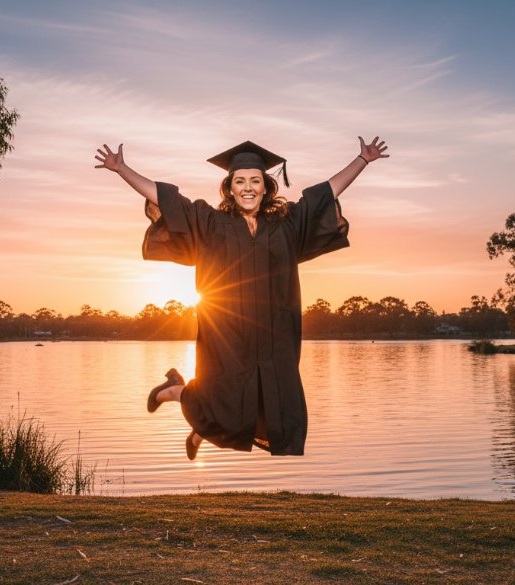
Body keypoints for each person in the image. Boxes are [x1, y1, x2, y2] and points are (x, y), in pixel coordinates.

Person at [95, 137, 388, 459]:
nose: (248, 187)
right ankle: (176, 391)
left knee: (275, 405)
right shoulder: (211, 223)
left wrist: (362, 160)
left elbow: (326, 194)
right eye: (240, 181)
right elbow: (166, 200)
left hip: (275, 331)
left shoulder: (287, 223)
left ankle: (198, 429)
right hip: (227, 328)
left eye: (255, 181)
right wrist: (121, 168)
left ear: (266, 187)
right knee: (224, 397)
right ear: (230, 188)